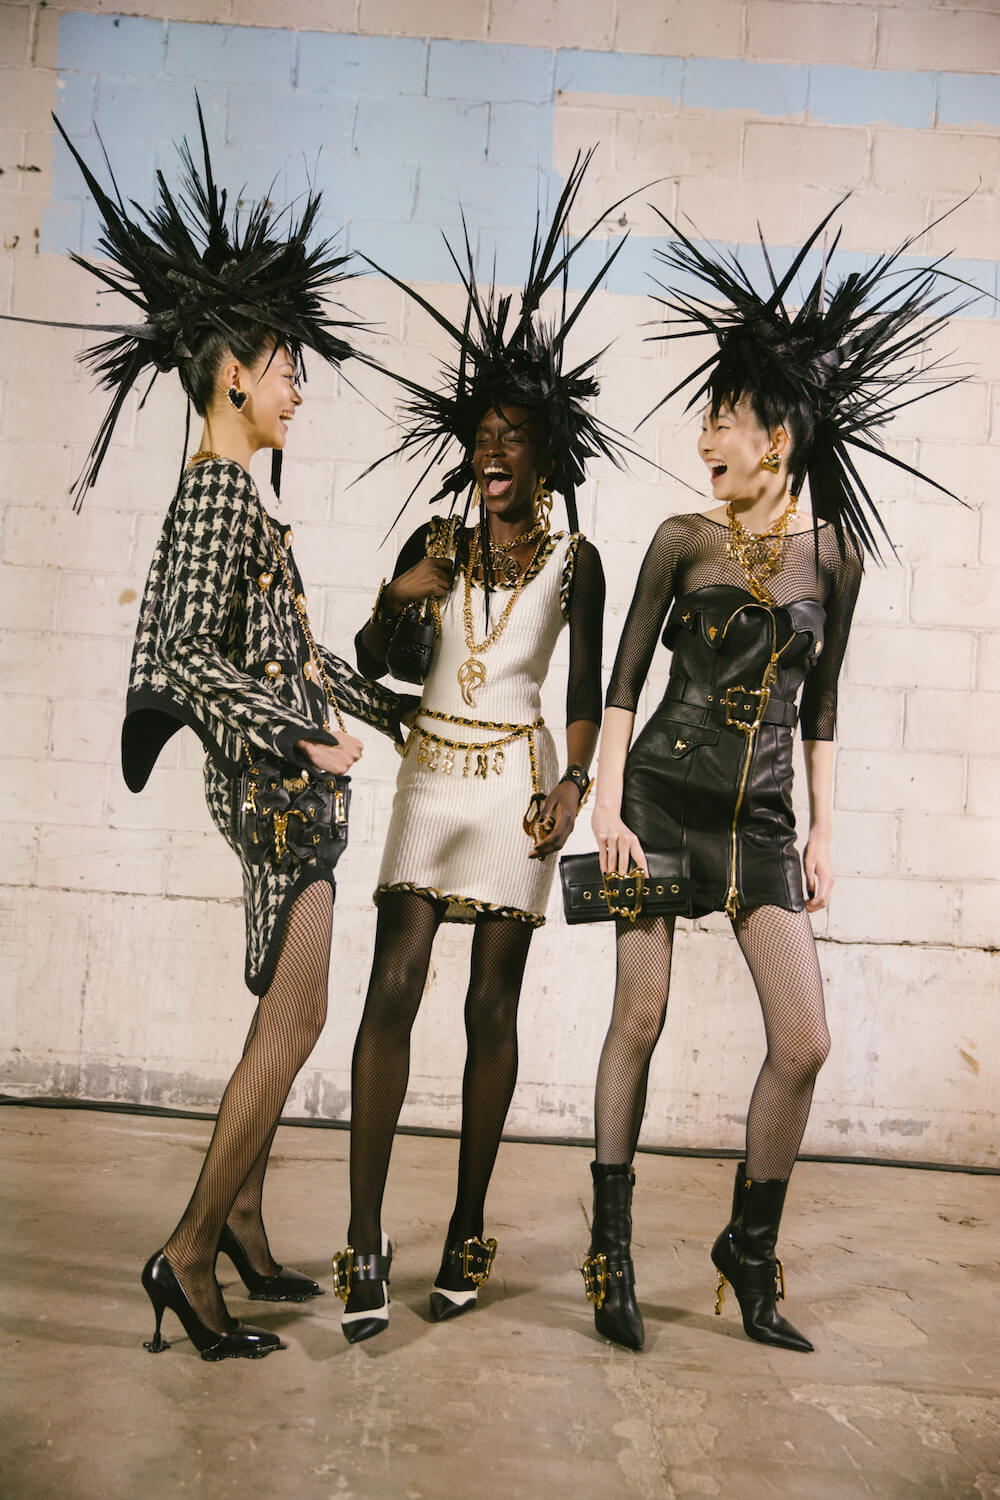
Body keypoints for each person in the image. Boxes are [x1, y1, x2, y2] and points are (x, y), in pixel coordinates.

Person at [22, 110, 410, 1361]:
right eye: (287, 369)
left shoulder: (241, 500)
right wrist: (304, 741)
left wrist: (394, 712)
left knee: (285, 1017)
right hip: (273, 796)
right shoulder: (213, 494)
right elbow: (185, 654)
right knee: (296, 1019)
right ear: (234, 372)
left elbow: (293, 656)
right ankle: (186, 1256)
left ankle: (238, 1220)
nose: (299, 390)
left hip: (290, 786)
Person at [581, 205, 969, 1353]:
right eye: (707, 415)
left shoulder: (834, 555)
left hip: (760, 818)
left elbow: (824, 705)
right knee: (640, 1013)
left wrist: (825, 832)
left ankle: (748, 1249)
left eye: (724, 417)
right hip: (656, 803)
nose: (706, 433)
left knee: (803, 1041)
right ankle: (611, 1250)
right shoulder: (680, 539)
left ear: (777, 437)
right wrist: (604, 807)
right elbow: (621, 684)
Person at [331, 156, 633, 1342]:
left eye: (513, 439)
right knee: (391, 983)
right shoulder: (438, 539)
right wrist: (400, 589)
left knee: (490, 1007)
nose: (493, 453)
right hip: (428, 777)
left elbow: (586, 689)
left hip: (514, 782)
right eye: (482, 438)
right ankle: (365, 1240)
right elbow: (377, 655)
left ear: (544, 453)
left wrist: (575, 785)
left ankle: (465, 1226)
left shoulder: (577, 562)